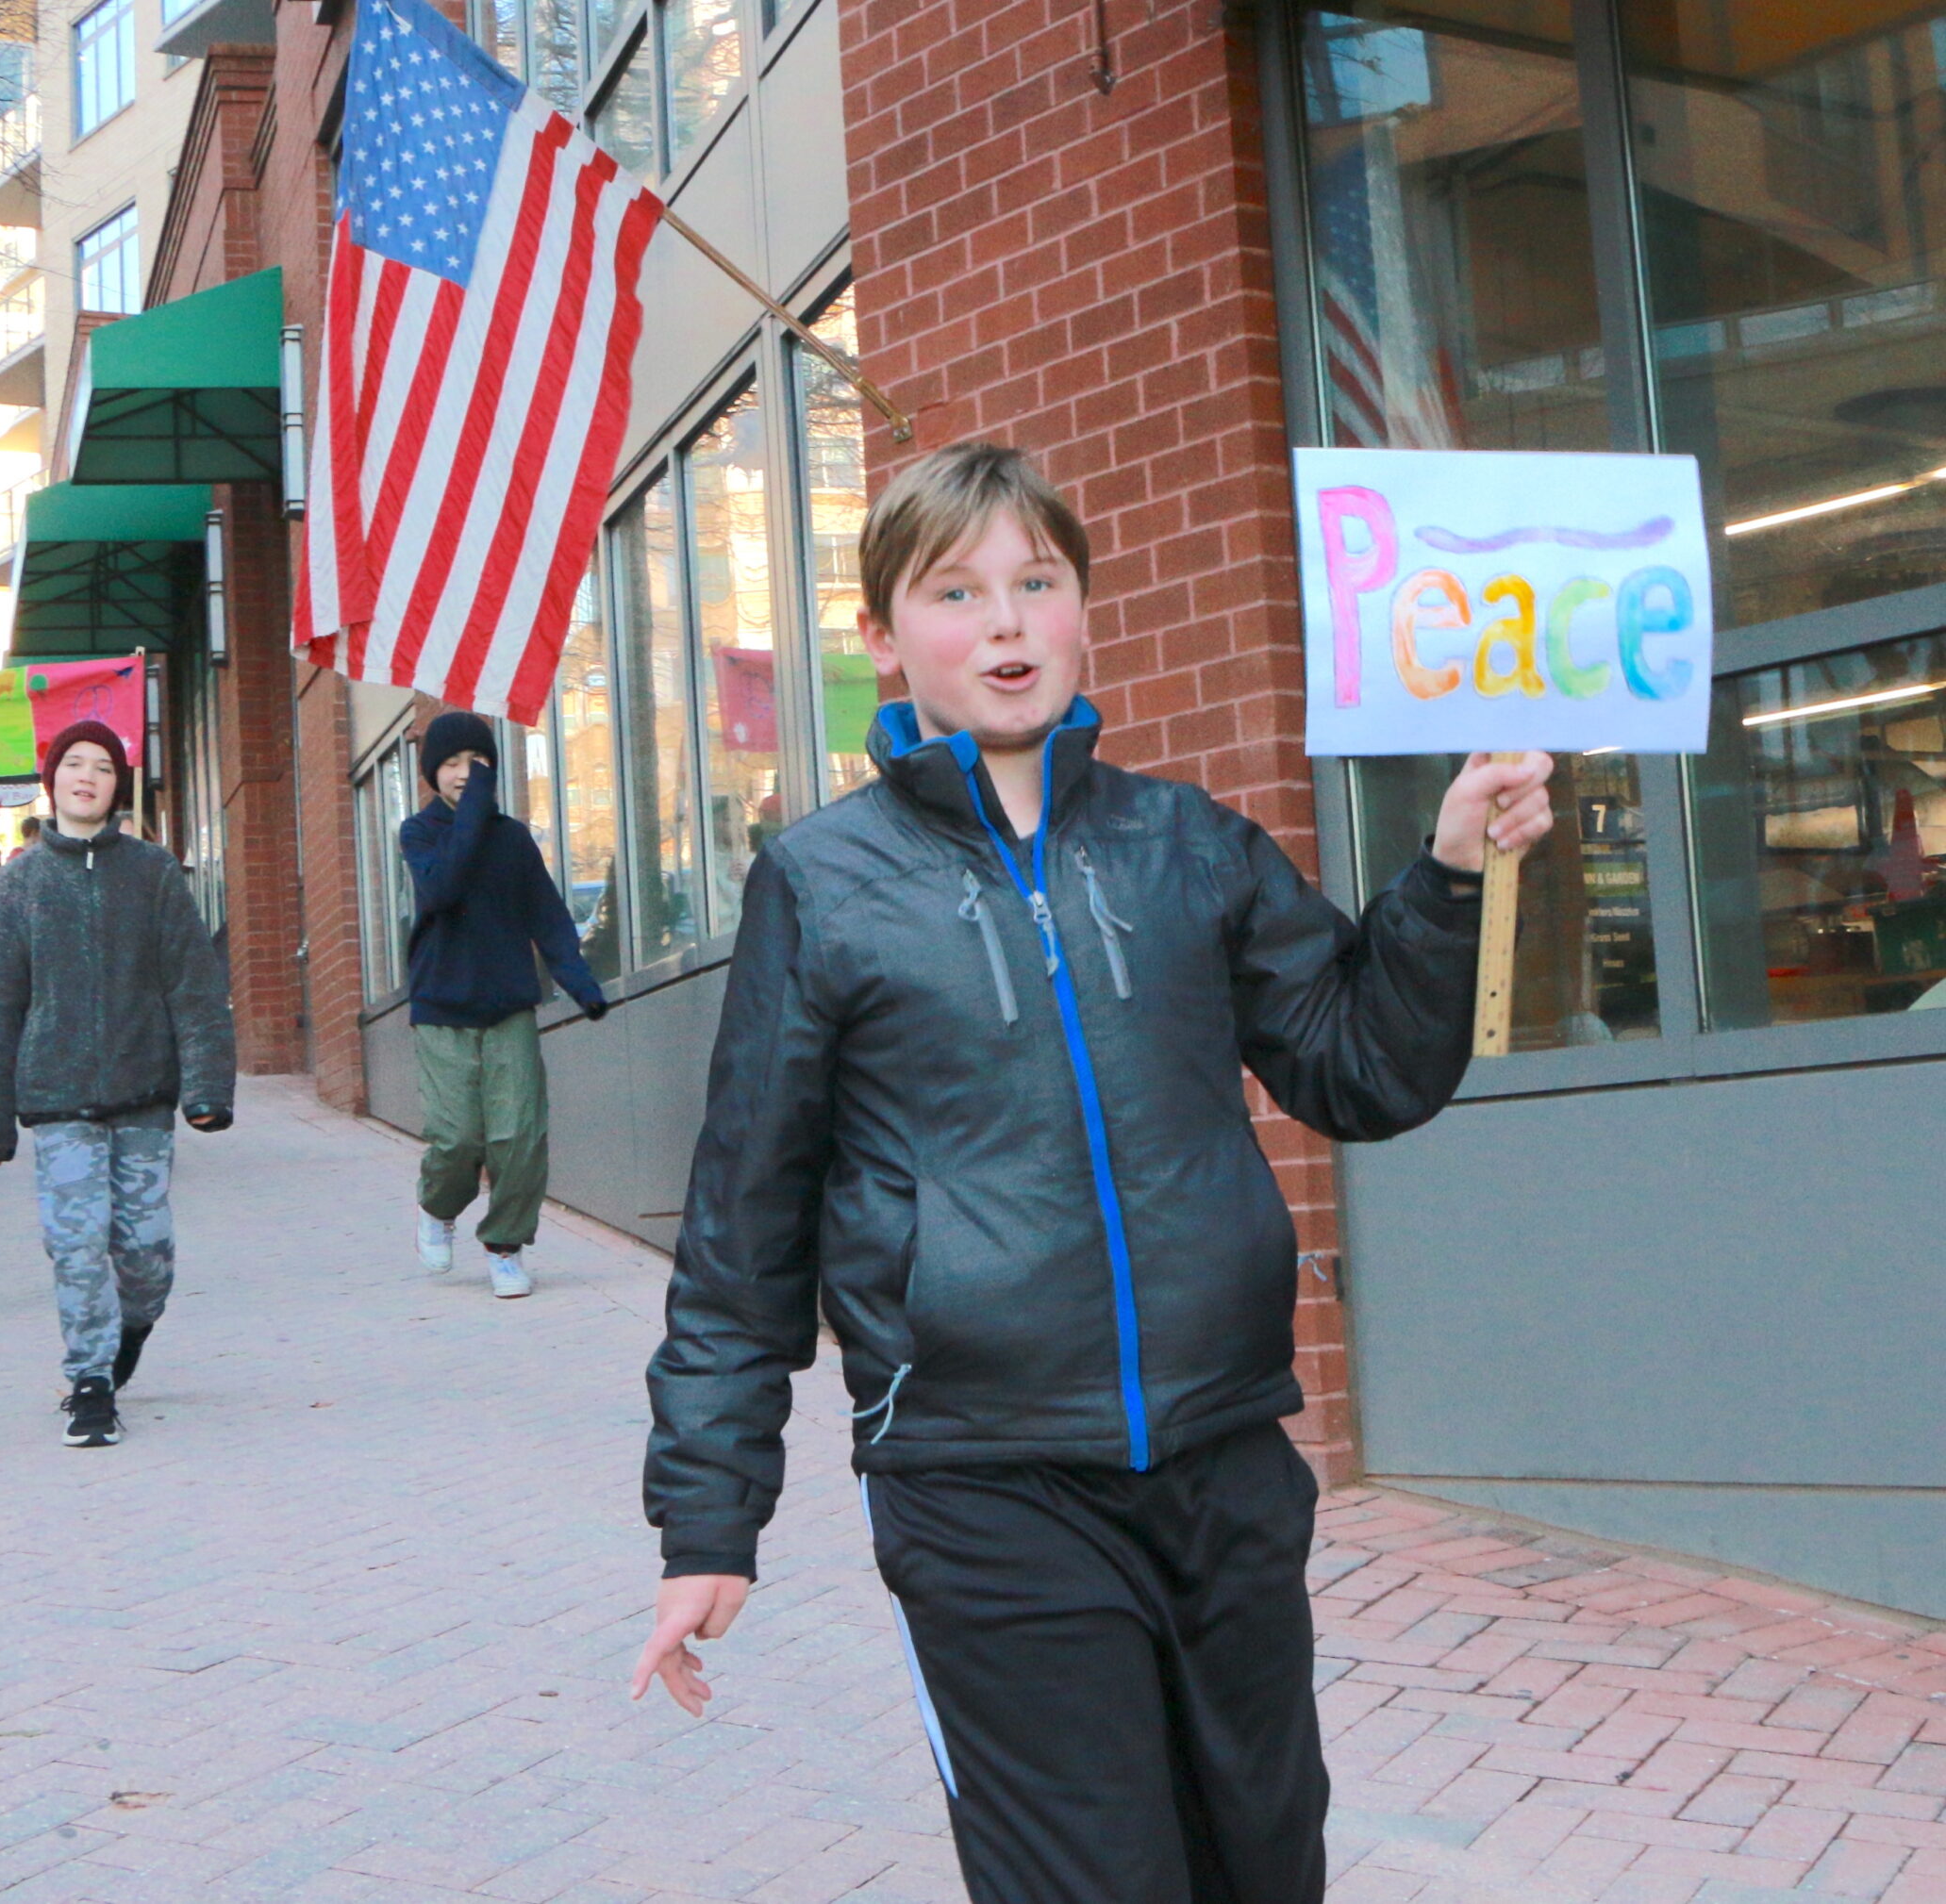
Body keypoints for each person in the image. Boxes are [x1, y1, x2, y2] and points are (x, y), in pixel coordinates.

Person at [630, 443, 1555, 1904]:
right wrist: (708, 1519)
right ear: (882, 633)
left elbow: (1360, 1066)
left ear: (1080, 610)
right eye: (957, 591)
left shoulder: (1187, 844)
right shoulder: (823, 882)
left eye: (1036, 582)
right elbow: (745, 1225)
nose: (1005, 624)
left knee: (1261, 1866)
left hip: (1226, 1463)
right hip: (982, 1487)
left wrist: (1446, 878)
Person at [0, 720, 235, 1449]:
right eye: (73, 764)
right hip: (56, 1101)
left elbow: (194, 988)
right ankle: (89, 1381)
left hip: (144, 1092)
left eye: (103, 766)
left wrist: (207, 1087)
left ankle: (130, 1331)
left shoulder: (152, 873)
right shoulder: (19, 882)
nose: (87, 775)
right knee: (77, 1242)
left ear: (119, 786)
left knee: (146, 1251)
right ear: (51, 782)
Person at [400, 710, 607, 1300]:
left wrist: (580, 982)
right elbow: (443, 888)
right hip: (442, 1005)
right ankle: (437, 1209)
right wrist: (472, 814)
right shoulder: (419, 833)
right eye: (451, 763)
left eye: (477, 761)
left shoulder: (512, 838)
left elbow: (546, 913)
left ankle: (505, 1246)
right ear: (431, 773)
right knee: (457, 1138)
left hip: (509, 1006)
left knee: (518, 1138)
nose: (465, 773)